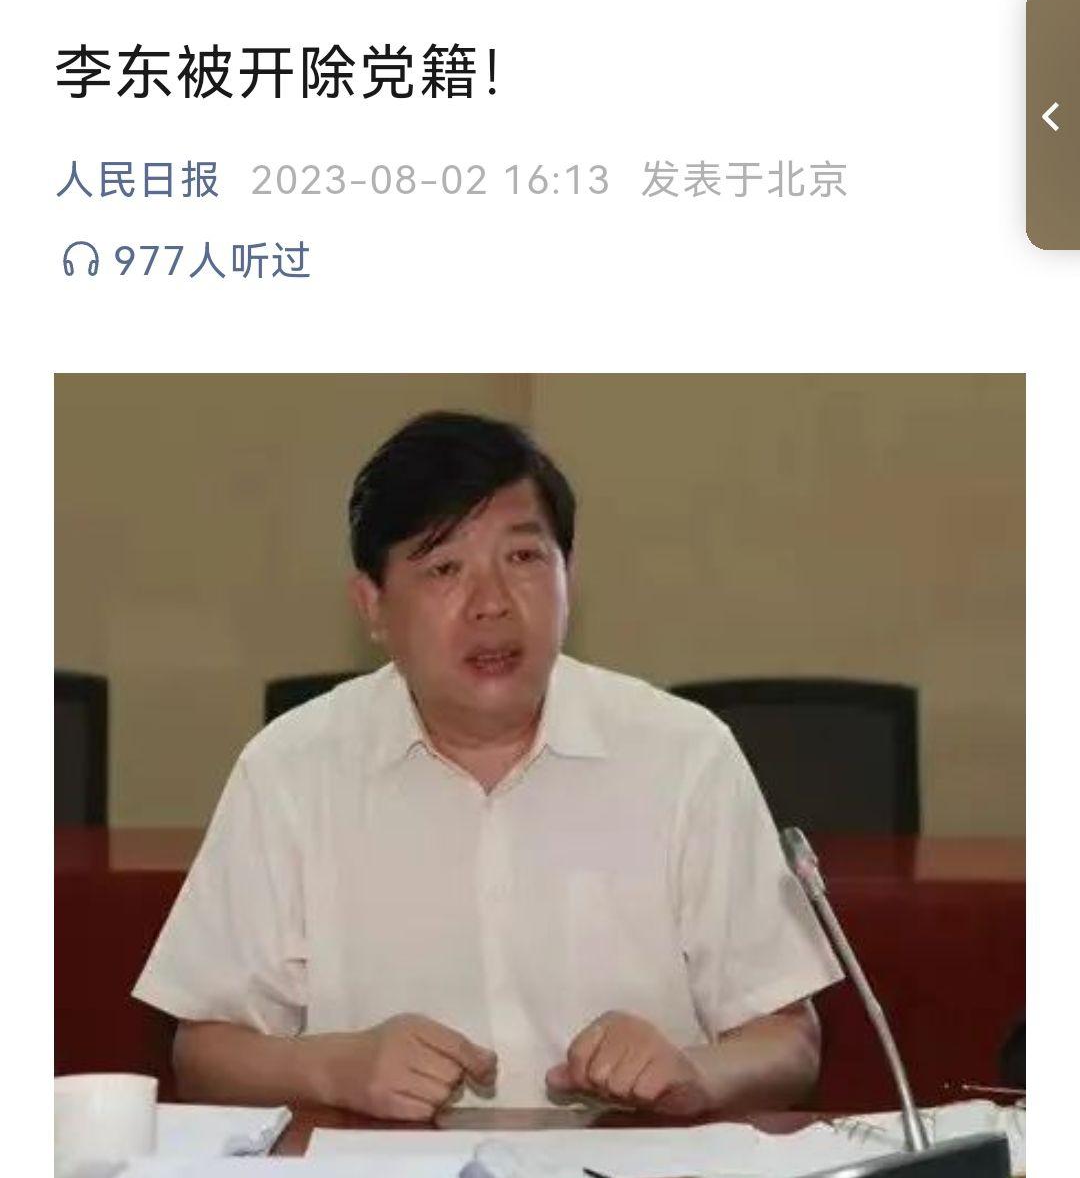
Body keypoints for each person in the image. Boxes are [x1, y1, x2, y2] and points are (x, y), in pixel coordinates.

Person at [134, 409, 840, 1118]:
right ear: (372, 606)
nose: (493, 604)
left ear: (568, 576)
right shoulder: (289, 769)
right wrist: (334, 1068)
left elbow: (787, 1039)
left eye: (524, 558)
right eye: (445, 568)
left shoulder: (686, 755)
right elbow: (203, 1052)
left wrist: (694, 1074)